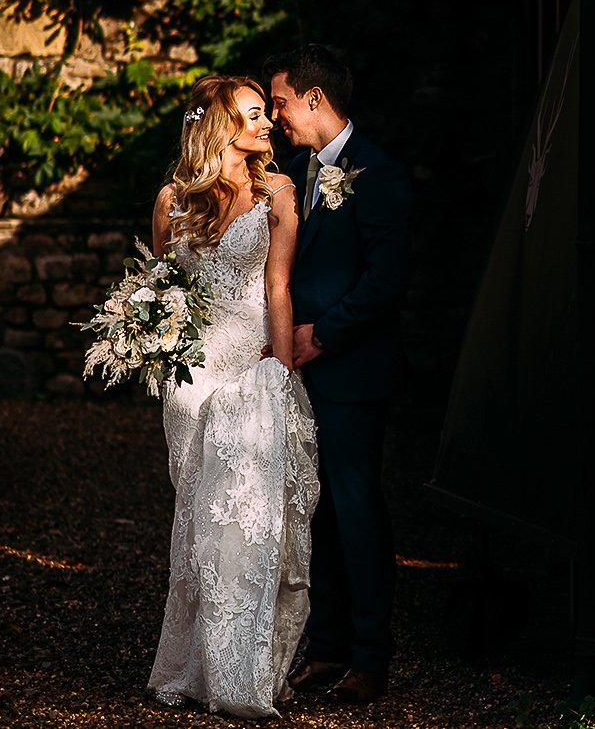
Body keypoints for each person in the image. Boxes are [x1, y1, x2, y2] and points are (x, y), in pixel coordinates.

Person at [147, 76, 319, 718]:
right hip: (191, 382)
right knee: (197, 526)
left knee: (245, 524)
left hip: (250, 373)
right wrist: (158, 360)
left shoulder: (277, 192)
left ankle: (242, 676)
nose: (266, 125)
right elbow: (159, 293)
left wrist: (279, 368)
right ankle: (194, 667)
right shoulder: (172, 200)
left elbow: (278, 288)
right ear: (220, 126)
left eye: (265, 114)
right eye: (252, 115)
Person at [265, 45, 411, 706]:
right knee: (313, 510)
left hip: (352, 371)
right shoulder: (297, 172)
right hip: (304, 375)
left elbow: (388, 277)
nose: (276, 116)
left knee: (355, 510)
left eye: (282, 102)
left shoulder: (377, 172)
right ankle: (325, 645)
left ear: (316, 99)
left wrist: (321, 334)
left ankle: (370, 655)